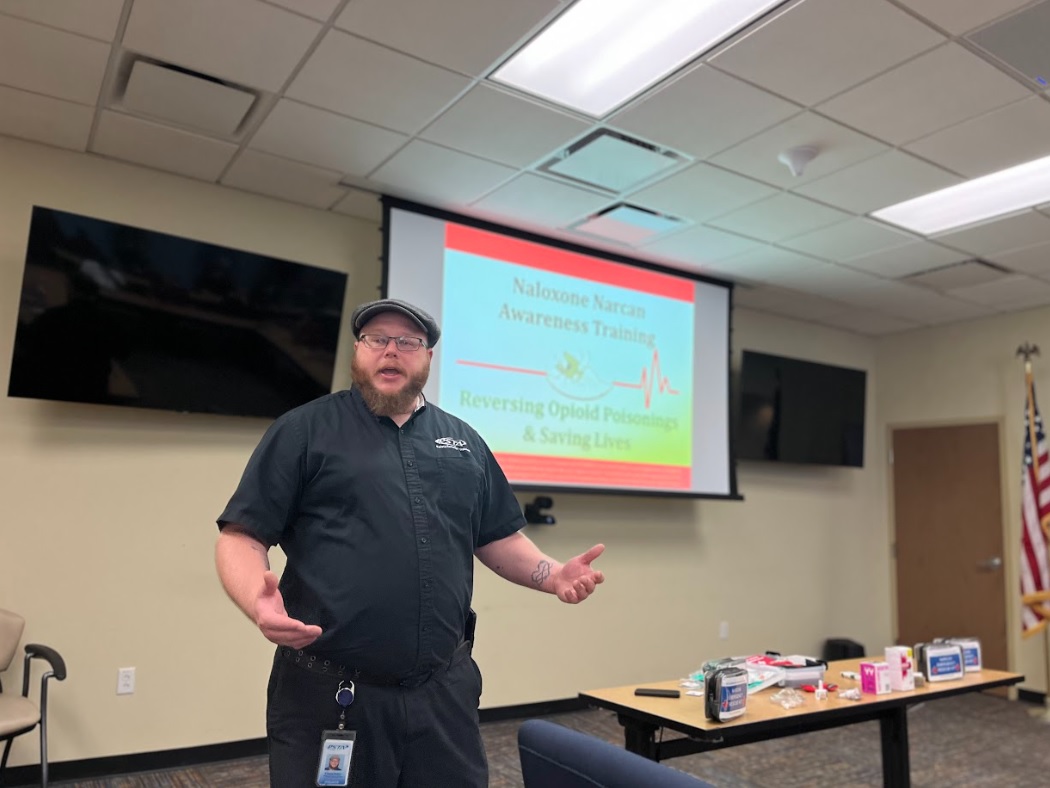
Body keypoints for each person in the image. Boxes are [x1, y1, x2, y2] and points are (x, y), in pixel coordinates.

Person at [215, 297, 605, 788]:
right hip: (331, 689)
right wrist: (257, 603)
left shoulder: (464, 442)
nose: (391, 351)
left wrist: (553, 575)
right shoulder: (303, 431)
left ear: (428, 357)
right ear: (358, 352)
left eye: (408, 342)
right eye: (377, 339)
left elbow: (497, 537)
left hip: (443, 693)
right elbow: (241, 536)